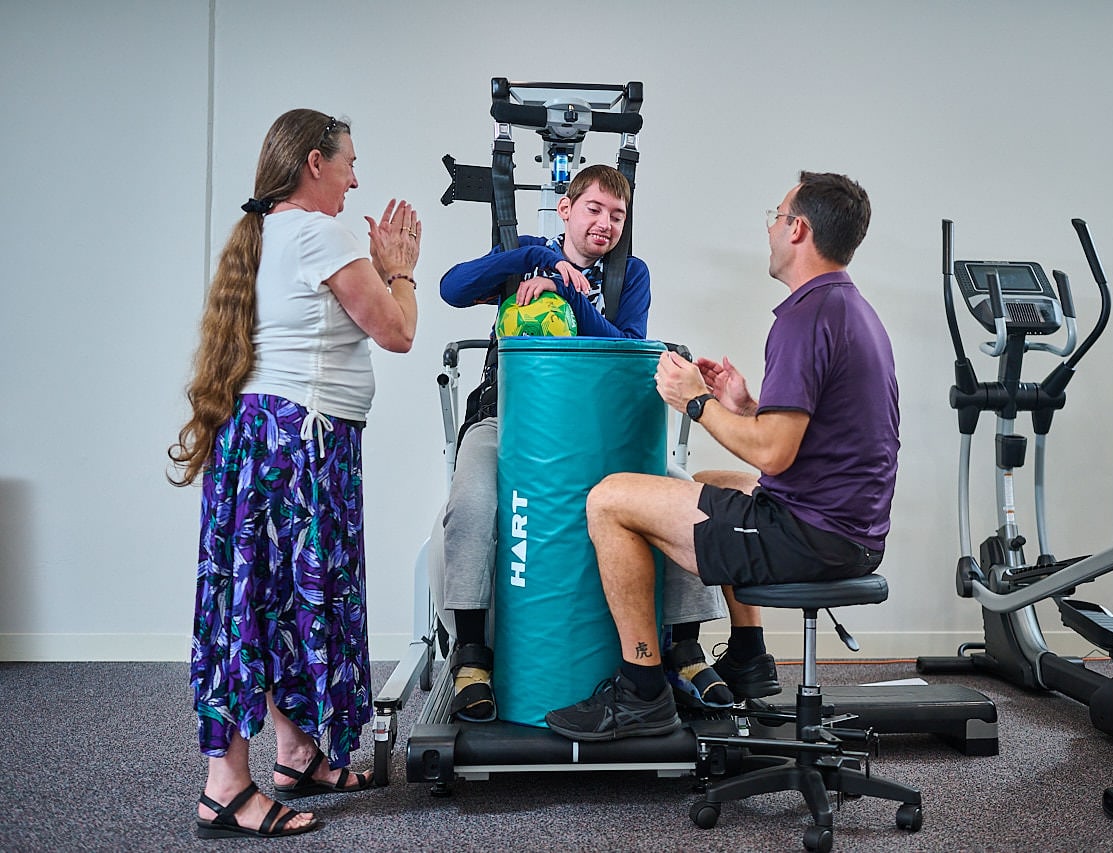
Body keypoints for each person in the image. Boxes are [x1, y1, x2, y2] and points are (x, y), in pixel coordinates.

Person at [545, 171, 899, 741]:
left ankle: (640, 691)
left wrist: (697, 402)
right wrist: (745, 403)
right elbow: (808, 435)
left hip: (811, 537)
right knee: (713, 480)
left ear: (798, 229)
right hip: (850, 531)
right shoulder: (848, 308)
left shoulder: (803, 319)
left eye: (776, 217)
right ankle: (749, 655)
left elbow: (776, 457)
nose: (770, 229)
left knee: (610, 499)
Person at [168, 109, 421, 838]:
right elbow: (397, 330)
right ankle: (225, 786)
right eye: (348, 162)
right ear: (315, 162)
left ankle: (297, 752)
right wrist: (399, 268)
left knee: (265, 599)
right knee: (260, 608)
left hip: (272, 439)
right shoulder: (320, 232)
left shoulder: (270, 231)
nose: (355, 177)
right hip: (293, 445)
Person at [438, 163, 731, 723]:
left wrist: (571, 297)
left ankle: (685, 647)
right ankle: (471, 654)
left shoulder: (629, 274)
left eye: (617, 215)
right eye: (594, 209)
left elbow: (625, 347)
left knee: (682, 495)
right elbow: (452, 288)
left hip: (601, 431)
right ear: (566, 210)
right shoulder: (524, 251)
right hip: (506, 422)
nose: (605, 223)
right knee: (472, 501)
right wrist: (534, 261)